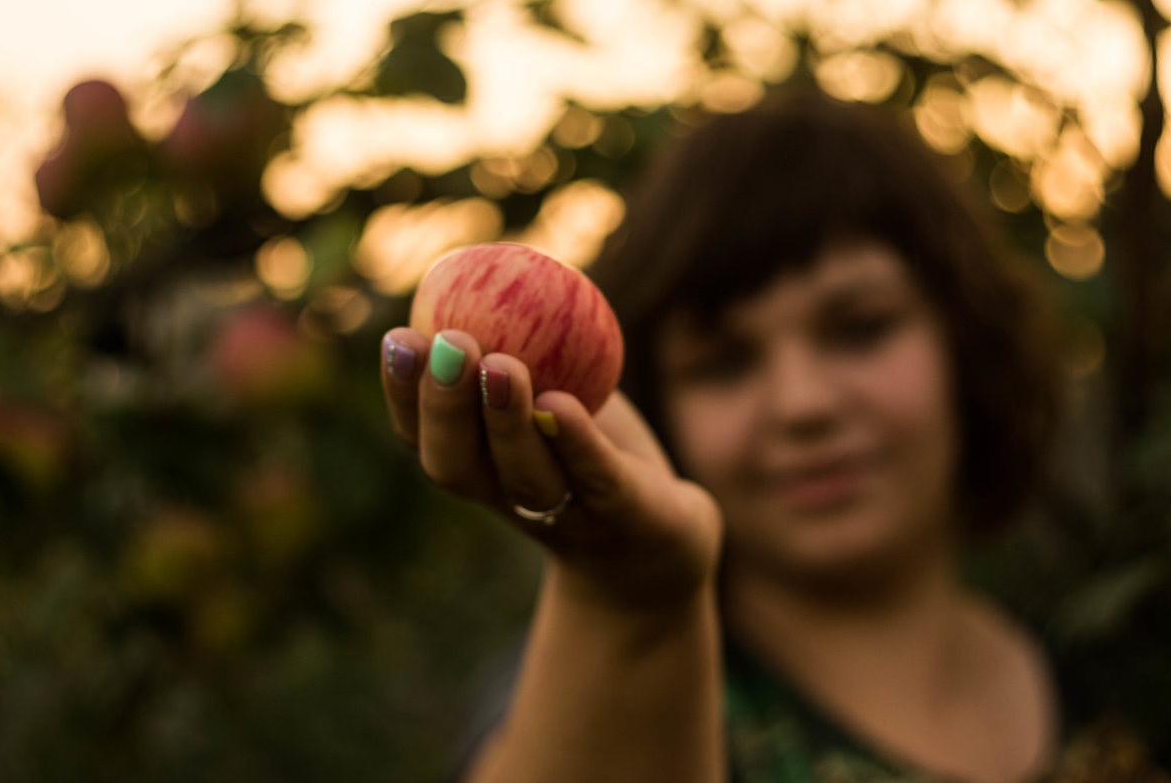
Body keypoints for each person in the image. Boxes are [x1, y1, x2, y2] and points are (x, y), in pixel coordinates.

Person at [379, 88, 1151, 782]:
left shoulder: (1113, 667)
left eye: (860, 329)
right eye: (723, 363)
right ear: (659, 405)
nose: (802, 404)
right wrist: (628, 599)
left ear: (965, 345)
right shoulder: (606, 697)